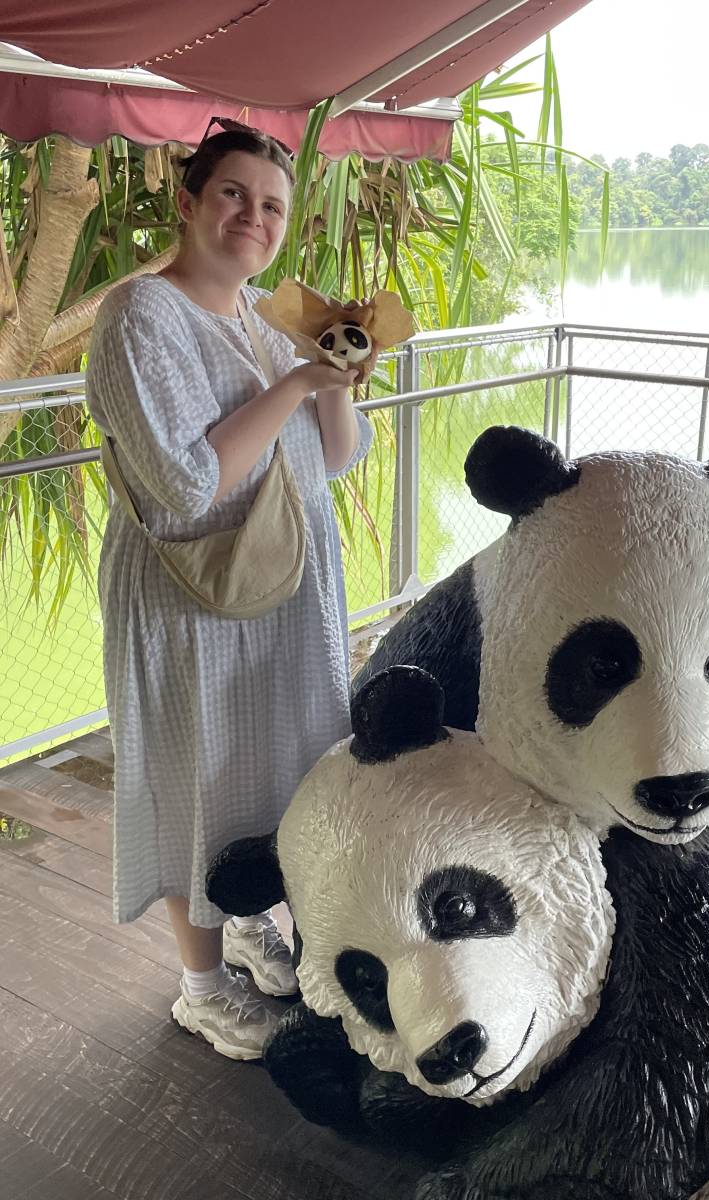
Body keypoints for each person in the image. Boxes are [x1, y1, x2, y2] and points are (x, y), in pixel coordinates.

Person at [86, 119, 374, 1060]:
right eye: (235, 194)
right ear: (189, 203)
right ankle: (200, 987)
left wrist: (332, 379)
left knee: (278, 762)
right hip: (191, 595)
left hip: (287, 588)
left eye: (273, 205)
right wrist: (293, 385)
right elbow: (182, 480)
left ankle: (246, 918)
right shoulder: (140, 316)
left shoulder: (262, 318)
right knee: (196, 769)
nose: (254, 215)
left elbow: (333, 459)